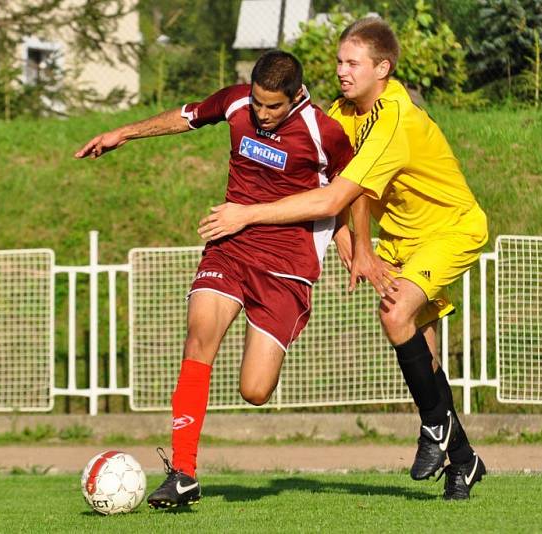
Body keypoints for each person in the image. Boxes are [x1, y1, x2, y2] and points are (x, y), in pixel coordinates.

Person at [197, 17, 488, 500]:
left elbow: (335, 199)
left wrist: (247, 215)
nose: (342, 71)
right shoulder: (342, 113)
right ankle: (463, 459)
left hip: (449, 229)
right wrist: (360, 249)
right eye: (338, 61)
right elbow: (340, 190)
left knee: (394, 315)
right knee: (424, 353)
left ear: (383, 68)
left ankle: (435, 429)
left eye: (353, 63)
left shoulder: (394, 116)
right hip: (401, 237)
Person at [76, 50, 355, 508]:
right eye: (257, 103)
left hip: (286, 265)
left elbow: (352, 186)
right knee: (199, 335)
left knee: (255, 390)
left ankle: (191, 462)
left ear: (297, 96)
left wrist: (352, 239)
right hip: (231, 244)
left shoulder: (324, 133)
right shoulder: (235, 103)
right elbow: (186, 116)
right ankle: (183, 472)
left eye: (273, 107)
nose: (262, 115)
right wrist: (123, 132)